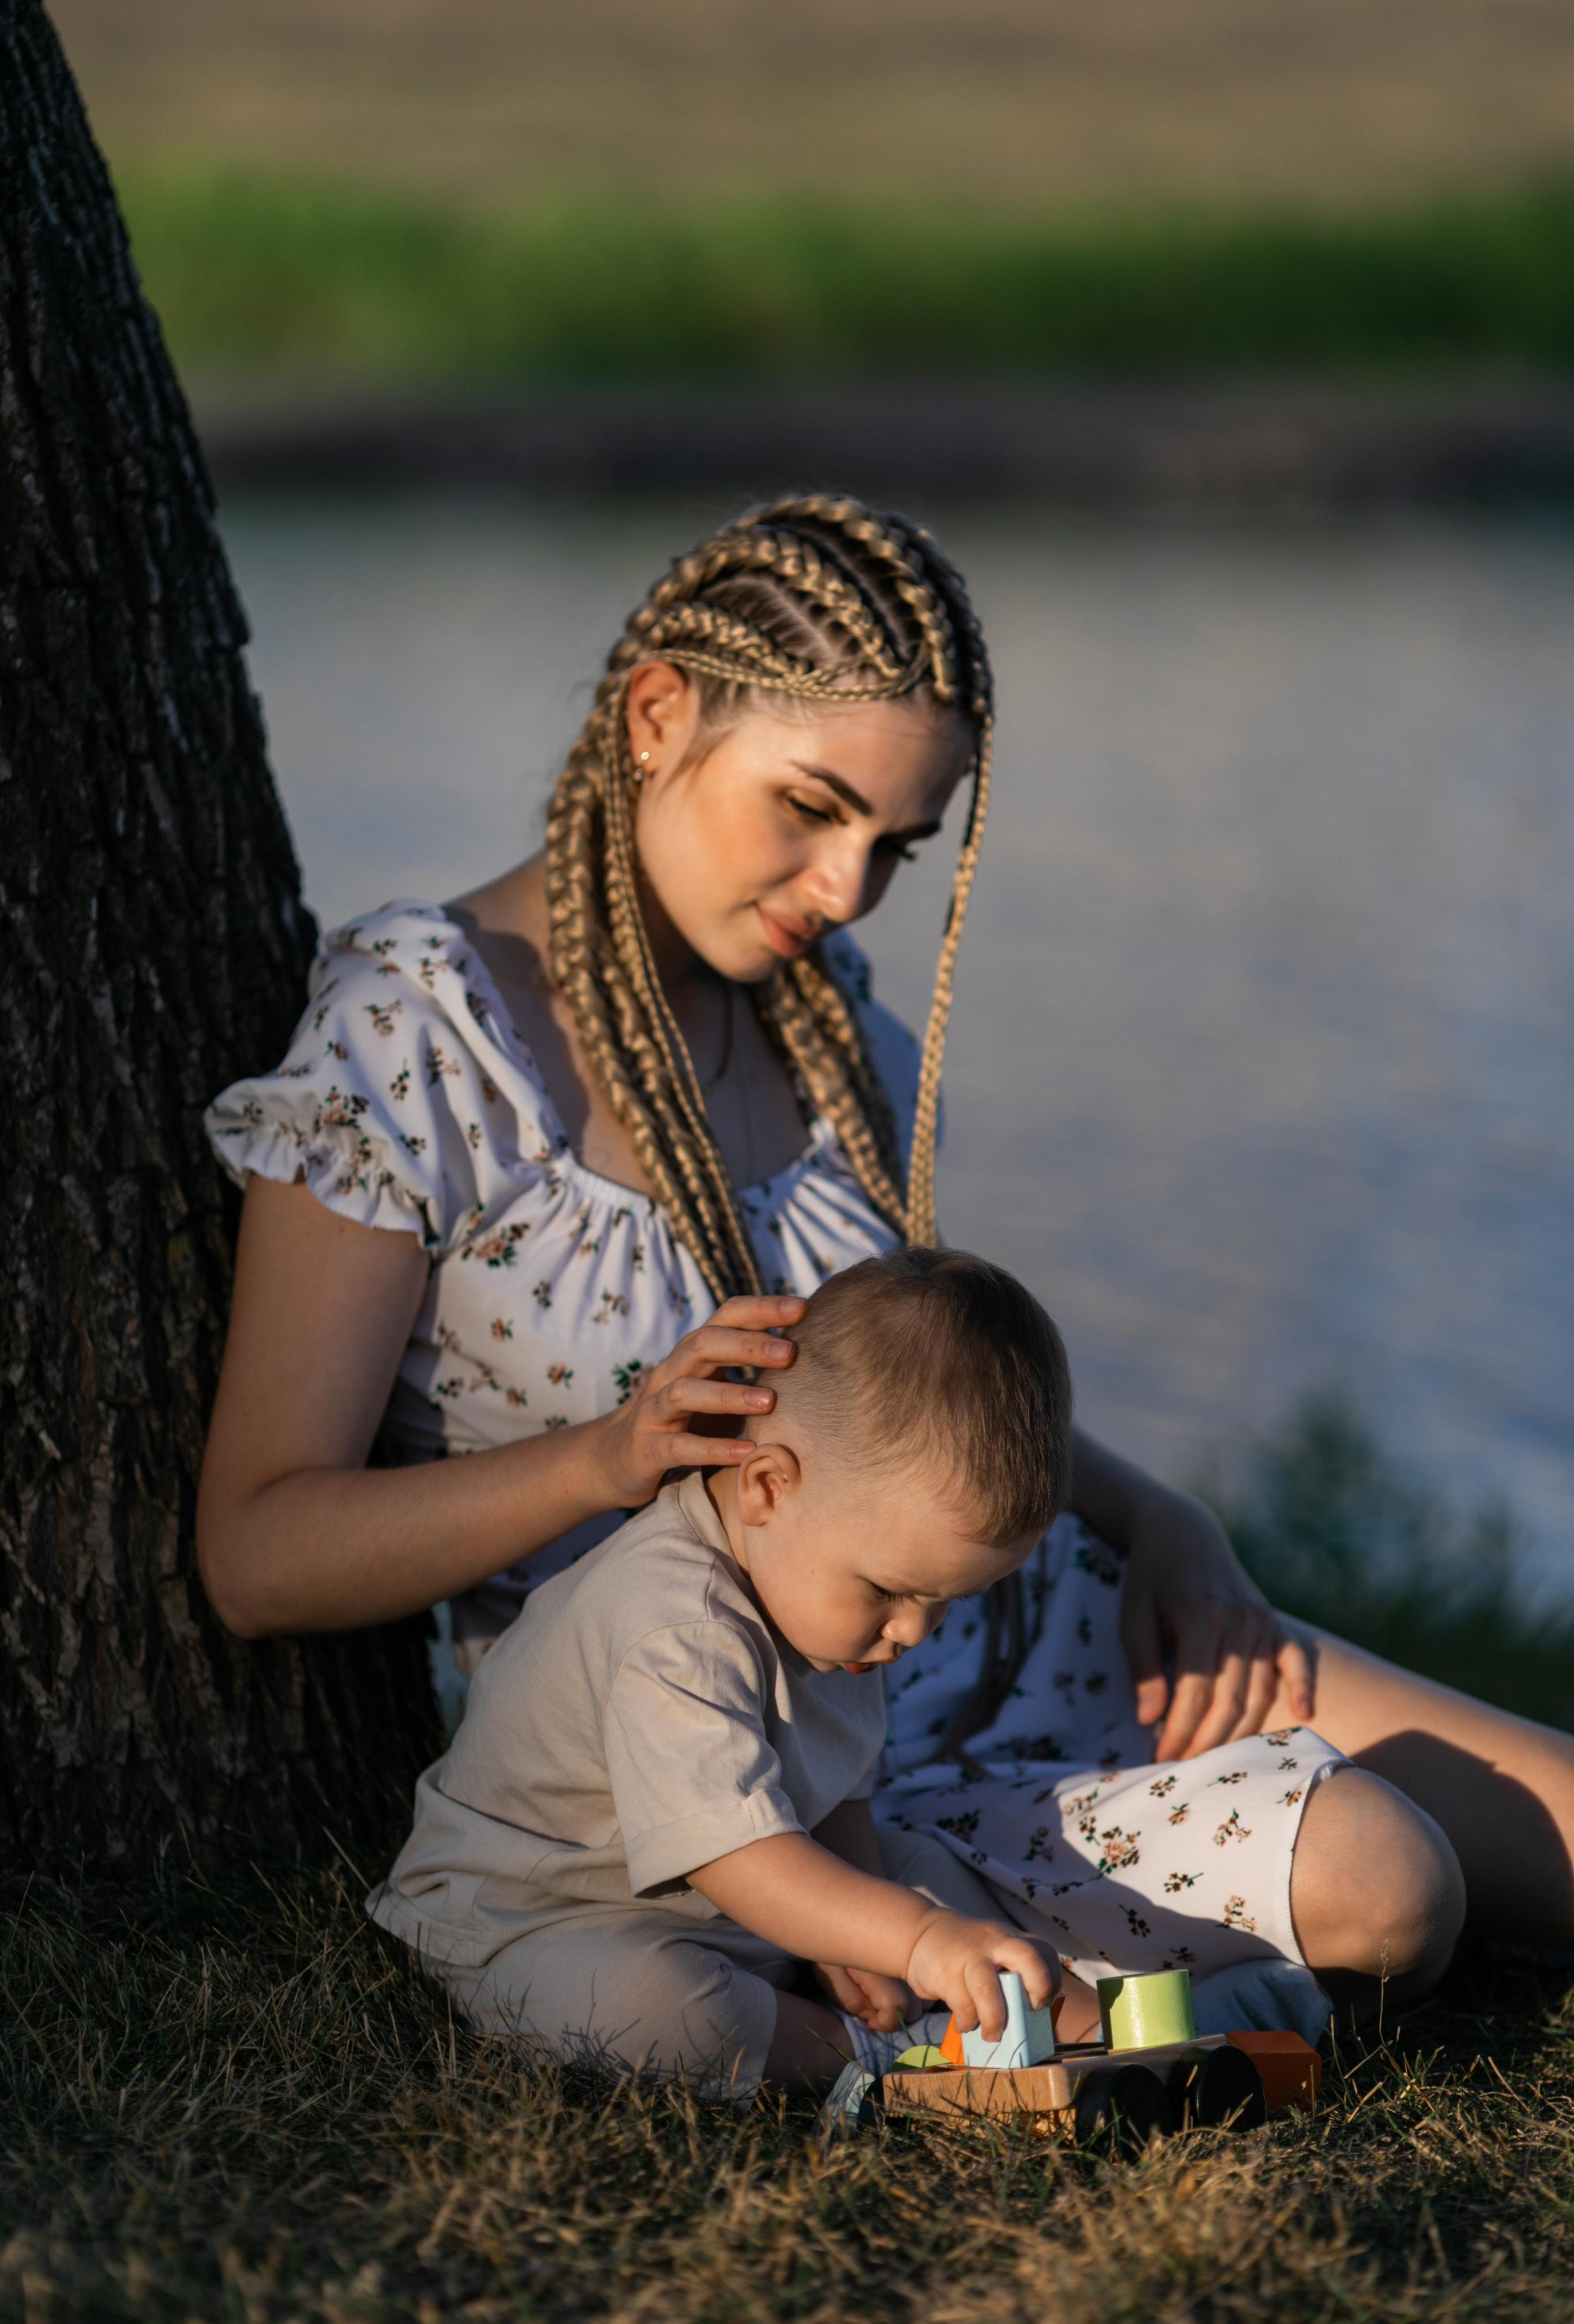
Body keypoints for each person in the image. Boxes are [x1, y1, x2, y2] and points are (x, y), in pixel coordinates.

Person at [199, 493, 1574, 2004]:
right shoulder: (414, 1035)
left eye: (894, 845)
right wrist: (606, 1460)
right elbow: (259, 1552)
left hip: (1041, 1619)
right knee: (1389, 1885)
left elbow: (900, 1405)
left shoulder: (814, 1007)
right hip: (769, 1762)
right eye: (808, 806)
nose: (846, 890)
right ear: (658, 715)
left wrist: (1156, 1514)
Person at [368, 1250, 1070, 2097]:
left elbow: (837, 1787)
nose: (914, 1630)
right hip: (541, 1917)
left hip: (730, 1903)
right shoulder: (675, 1624)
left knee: (927, 1875)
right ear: (769, 1487)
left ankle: (1070, 2011)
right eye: (892, 1591)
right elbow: (742, 1859)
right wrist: (913, 1941)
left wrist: (856, 1928)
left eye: (943, 1604)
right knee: (652, 2010)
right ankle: (865, 2060)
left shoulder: (831, 1602)